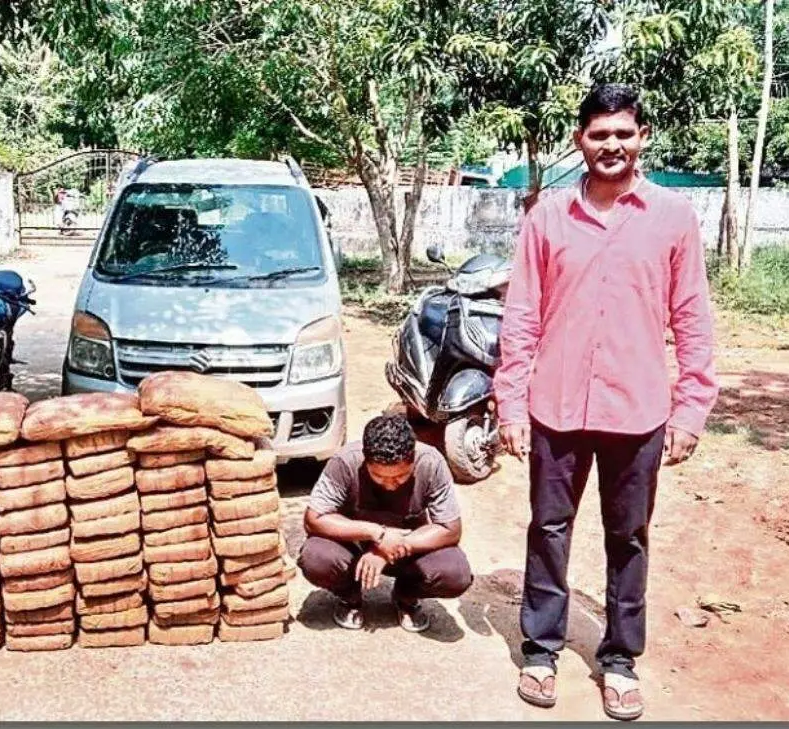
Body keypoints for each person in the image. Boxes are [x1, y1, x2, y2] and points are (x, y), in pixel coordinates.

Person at [494, 84, 718, 721]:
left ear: (642, 137)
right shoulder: (547, 218)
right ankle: (541, 650)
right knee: (549, 530)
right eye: (599, 135)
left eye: (623, 133)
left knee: (629, 538)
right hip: (555, 408)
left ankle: (619, 660)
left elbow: (693, 319)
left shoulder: (673, 218)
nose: (611, 145)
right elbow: (522, 317)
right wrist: (510, 403)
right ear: (580, 141)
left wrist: (691, 408)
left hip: (639, 410)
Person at [298, 414, 473, 632]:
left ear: (413, 459)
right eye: (379, 477)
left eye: (400, 477)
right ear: (365, 460)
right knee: (316, 557)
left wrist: (386, 550)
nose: (390, 485)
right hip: (353, 547)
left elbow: (450, 530)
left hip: (409, 548)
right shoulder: (345, 461)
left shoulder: (431, 463)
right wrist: (376, 534)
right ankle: (349, 597)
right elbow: (314, 519)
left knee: (454, 573)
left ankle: (406, 597)